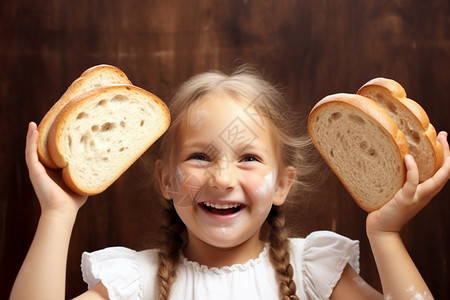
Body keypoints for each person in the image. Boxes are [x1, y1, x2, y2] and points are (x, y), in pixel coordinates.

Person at [10, 66, 450, 300]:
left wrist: (386, 232)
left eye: (249, 159)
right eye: (199, 157)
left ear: (282, 185)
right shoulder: (135, 283)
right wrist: (57, 213)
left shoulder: (314, 273)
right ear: (166, 179)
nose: (221, 179)